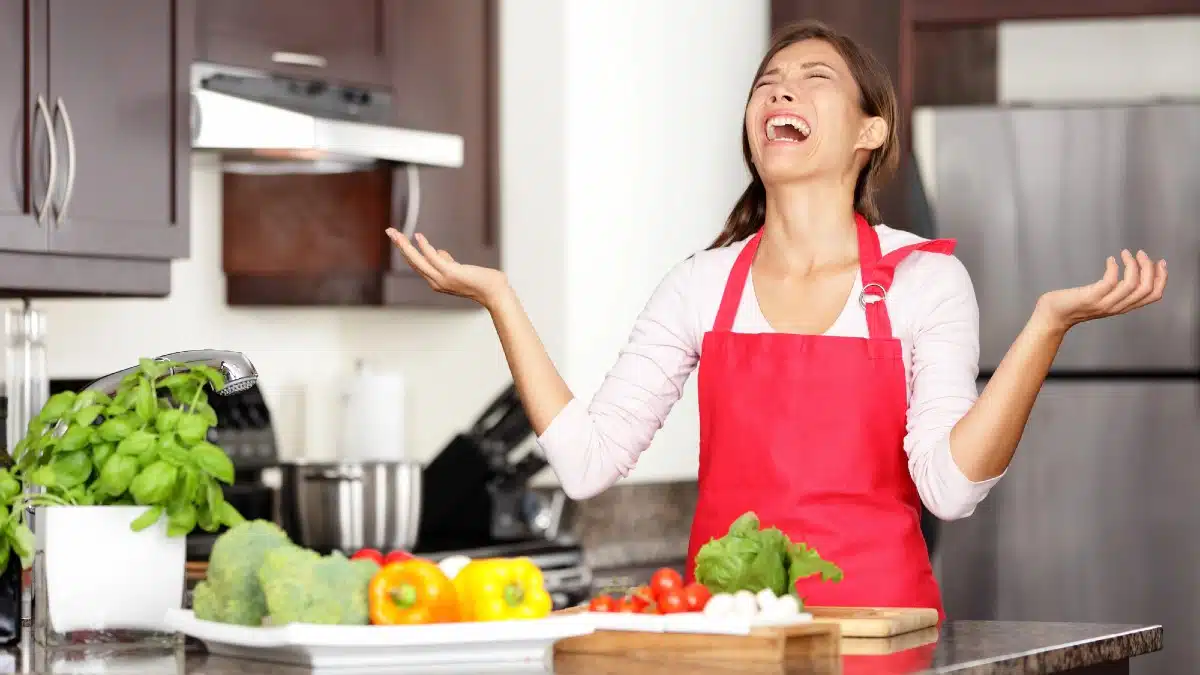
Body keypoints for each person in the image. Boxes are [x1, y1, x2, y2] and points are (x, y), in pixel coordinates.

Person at [387, 21, 1168, 619]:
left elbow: (951, 488)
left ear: (870, 131)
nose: (781, 92)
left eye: (813, 78)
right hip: (731, 639)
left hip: (878, 635)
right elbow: (587, 464)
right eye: (769, 83)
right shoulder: (701, 284)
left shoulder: (922, 280)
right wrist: (502, 301)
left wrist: (1044, 328)